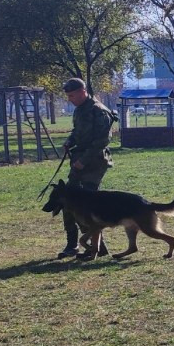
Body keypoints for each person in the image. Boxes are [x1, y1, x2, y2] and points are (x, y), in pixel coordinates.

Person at [57, 77, 116, 258]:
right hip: (79, 161)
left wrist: (83, 160)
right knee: (68, 200)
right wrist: (70, 141)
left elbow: (102, 141)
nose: (70, 99)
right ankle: (72, 244)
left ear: (83, 92)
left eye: (72, 95)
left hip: (94, 163)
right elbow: (77, 131)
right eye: (68, 96)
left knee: (85, 205)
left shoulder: (99, 111)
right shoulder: (80, 110)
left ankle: (96, 246)